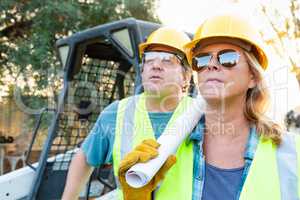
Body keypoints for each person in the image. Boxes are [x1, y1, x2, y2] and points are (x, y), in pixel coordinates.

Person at [119, 13, 300, 200]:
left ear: (252, 77)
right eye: (202, 60)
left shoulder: (292, 155)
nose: (212, 65)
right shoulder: (165, 150)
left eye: (228, 58)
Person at [61, 27, 192, 200]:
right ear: (143, 70)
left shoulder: (203, 114)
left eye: (168, 60)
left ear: (186, 77)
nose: (156, 65)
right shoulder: (116, 113)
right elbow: (85, 157)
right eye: (149, 59)